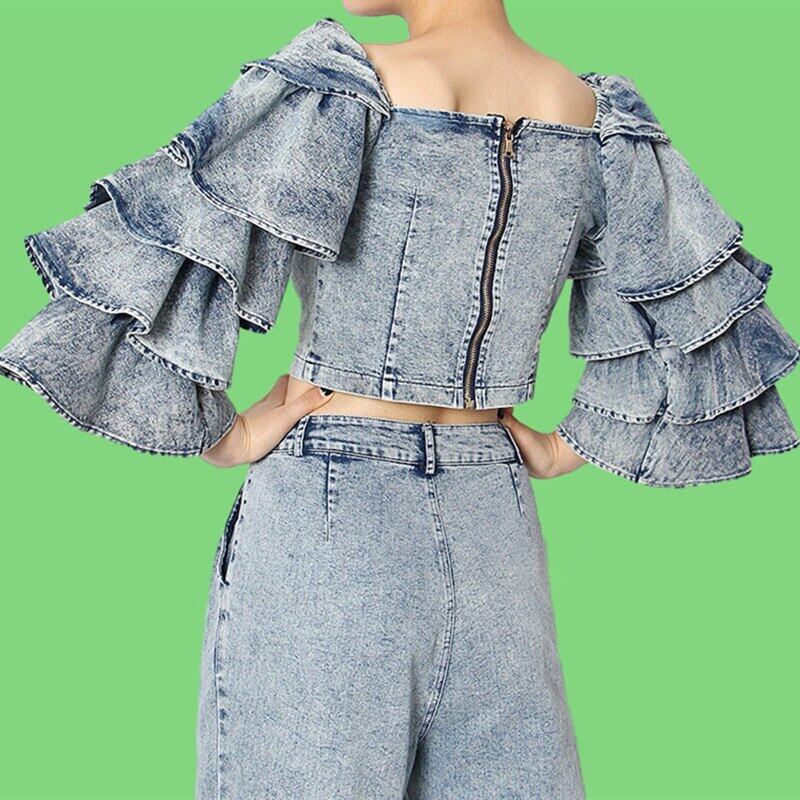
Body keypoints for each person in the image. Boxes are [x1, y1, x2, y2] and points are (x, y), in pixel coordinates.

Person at [0, 1, 797, 798]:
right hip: (496, 524)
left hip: (330, 516)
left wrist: (225, 434)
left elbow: (166, 246)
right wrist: (568, 445)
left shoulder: (340, 87)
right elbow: (689, 307)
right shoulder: (591, 114)